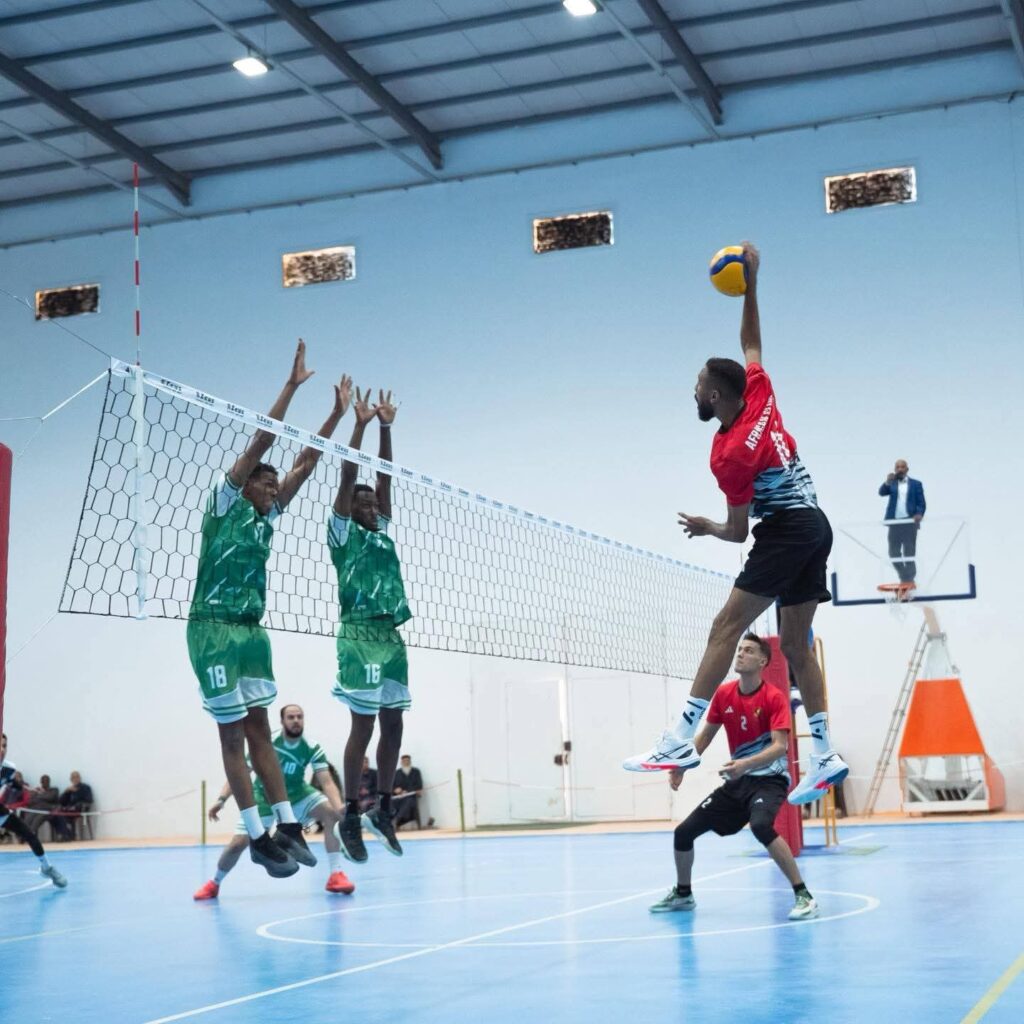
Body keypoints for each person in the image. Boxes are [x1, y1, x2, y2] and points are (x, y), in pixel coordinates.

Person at [624, 242, 848, 805]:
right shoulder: (759, 390)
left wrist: (708, 527)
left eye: (697, 385)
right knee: (796, 645)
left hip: (786, 530)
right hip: (816, 525)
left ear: (714, 395)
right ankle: (824, 753)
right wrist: (751, 282)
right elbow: (751, 341)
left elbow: (739, 531)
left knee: (725, 627)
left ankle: (680, 739)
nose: (693, 391)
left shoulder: (728, 455)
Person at [186, 339, 351, 878]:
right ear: (248, 484)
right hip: (212, 629)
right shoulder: (224, 503)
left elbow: (306, 461)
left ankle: (286, 826)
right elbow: (264, 439)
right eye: (267, 482)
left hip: (251, 632)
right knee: (232, 735)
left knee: (260, 729)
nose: (274, 488)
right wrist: (292, 387)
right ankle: (256, 836)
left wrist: (335, 416)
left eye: (275, 485)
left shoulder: (267, 517)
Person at [649, 635, 818, 921]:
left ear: (763, 661)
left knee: (761, 826)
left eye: (748, 651)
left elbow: (780, 746)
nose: (740, 654)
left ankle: (803, 895)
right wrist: (682, 767)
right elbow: (704, 737)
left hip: (770, 780)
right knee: (683, 832)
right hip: (738, 782)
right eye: (739, 649)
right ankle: (683, 893)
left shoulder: (774, 697)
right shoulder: (724, 694)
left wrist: (745, 764)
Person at [329, 387, 412, 862]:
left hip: (391, 635)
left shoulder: (382, 529)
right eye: (363, 503)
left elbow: (385, 477)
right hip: (359, 635)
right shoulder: (342, 534)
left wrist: (386, 426)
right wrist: (358, 425)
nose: (371, 507)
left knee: (394, 724)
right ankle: (350, 815)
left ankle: (382, 809)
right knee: (362, 727)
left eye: (374, 504)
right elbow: (350, 474)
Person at [194, 704, 354, 899]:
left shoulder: (311, 747)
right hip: (264, 799)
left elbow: (327, 781)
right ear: (282, 721)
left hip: (298, 795)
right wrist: (221, 799)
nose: (296, 721)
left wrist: (339, 807)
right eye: (291, 717)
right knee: (238, 843)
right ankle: (214, 883)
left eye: (299, 716)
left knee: (331, 813)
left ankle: (336, 875)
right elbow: (241, 771)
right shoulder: (268, 742)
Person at [0, 734, 66, 887]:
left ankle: (47, 867)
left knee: (29, 834)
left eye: (5, 746)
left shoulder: (9, 768)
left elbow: (13, 783)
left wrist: (29, 789)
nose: (2, 749)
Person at [878, 459, 926, 586]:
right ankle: (906, 577)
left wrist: (919, 514)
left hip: (909, 522)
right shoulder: (892, 483)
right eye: (897, 467)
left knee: (909, 552)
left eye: (902, 467)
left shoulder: (916, 484)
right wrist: (887, 482)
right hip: (895, 523)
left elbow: (921, 502)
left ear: (907, 469)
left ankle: (909, 580)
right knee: (893, 553)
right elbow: (882, 492)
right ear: (895, 469)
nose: (900, 469)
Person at [52, 771, 93, 841]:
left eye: (77, 777)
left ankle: (66, 835)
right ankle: (66, 834)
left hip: (80, 809)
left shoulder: (85, 787)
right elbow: (61, 801)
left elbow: (89, 800)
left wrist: (77, 803)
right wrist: (66, 792)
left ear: (80, 778)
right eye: (73, 778)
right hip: (69, 809)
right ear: (71, 780)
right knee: (55, 815)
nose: (75, 779)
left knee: (62, 814)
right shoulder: (70, 789)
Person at [392, 754, 424, 830]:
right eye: (404, 761)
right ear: (401, 762)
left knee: (409, 801)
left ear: (410, 761)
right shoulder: (397, 773)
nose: (406, 762)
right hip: (399, 796)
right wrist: (395, 790)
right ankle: (394, 821)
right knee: (391, 802)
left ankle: (396, 820)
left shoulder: (416, 771)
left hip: (411, 795)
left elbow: (419, 785)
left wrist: (408, 791)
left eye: (407, 761)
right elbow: (392, 786)